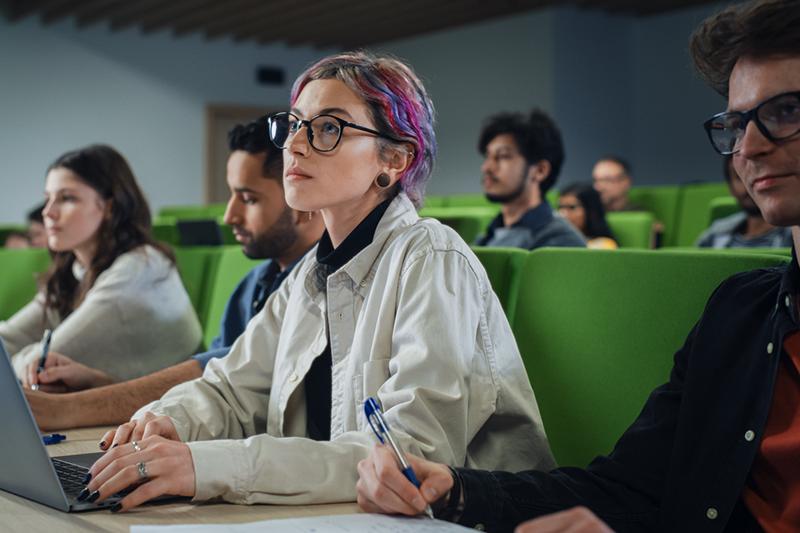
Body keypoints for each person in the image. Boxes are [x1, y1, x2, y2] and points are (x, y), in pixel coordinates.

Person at [356, 1, 800, 531]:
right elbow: (624, 487)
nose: (747, 147)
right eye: (736, 123)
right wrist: (454, 489)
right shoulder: (739, 313)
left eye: (785, 112)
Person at [79, 51, 554, 513]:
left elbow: (407, 457)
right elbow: (230, 388)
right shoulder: (311, 271)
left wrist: (208, 465)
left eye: (329, 127)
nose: (295, 144)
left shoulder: (432, 257)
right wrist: (163, 421)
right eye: (295, 124)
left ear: (395, 159)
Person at [23, 118, 324, 430]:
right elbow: (212, 392)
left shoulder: (324, 288)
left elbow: (218, 374)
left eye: (248, 199)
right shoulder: (251, 286)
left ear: (301, 199)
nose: (229, 215)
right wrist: (99, 384)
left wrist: (67, 409)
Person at [0, 145, 201, 382]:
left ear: (109, 207)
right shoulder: (77, 270)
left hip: (172, 411)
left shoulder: (141, 268)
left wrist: (23, 360)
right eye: (48, 199)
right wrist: (24, 359)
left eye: (66, 198)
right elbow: (10, 338)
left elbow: (42, 363)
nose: (48, 212)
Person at [475, 110, 586, 250]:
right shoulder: (487, 237)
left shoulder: (562, 243)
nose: (486, 168)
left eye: (502, 156)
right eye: (487, 157)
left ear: (540, 170)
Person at [697, 155, 793, 248]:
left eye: (758, 175)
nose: (749, 184)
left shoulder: (793, 236)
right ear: (731, 189)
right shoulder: (714, 235)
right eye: (739, 177)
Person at [558, 183, 618, 249]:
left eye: (572, 207)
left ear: (590, 210)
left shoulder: (605, 245)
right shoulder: (555, 240)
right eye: (561, 207)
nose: (563, 214)